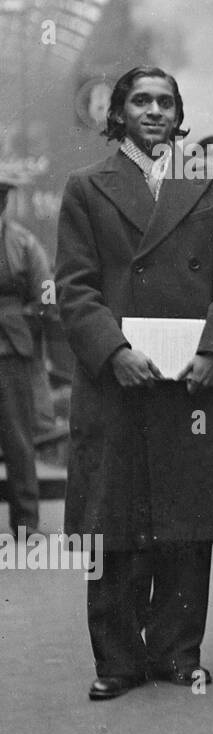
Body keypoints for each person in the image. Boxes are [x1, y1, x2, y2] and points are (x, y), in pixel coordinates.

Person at [55, 66, 213, 700]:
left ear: (179, 115)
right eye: (140, 101)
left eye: (166, 102)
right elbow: (74, 287)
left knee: (188, 519)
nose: (154, 111)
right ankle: (119, 661)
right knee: (115, 519)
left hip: (191, 381)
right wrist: (113, 351)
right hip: (119, 381)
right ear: (119, 113)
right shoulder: (86, 187)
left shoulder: (209, 183)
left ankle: (180, 653)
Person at [0, 170, 52, 536]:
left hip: (10, 349)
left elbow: (47, 291)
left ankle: (25, 520)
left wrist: (31, 315)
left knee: (17, 437)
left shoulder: (22, 243)